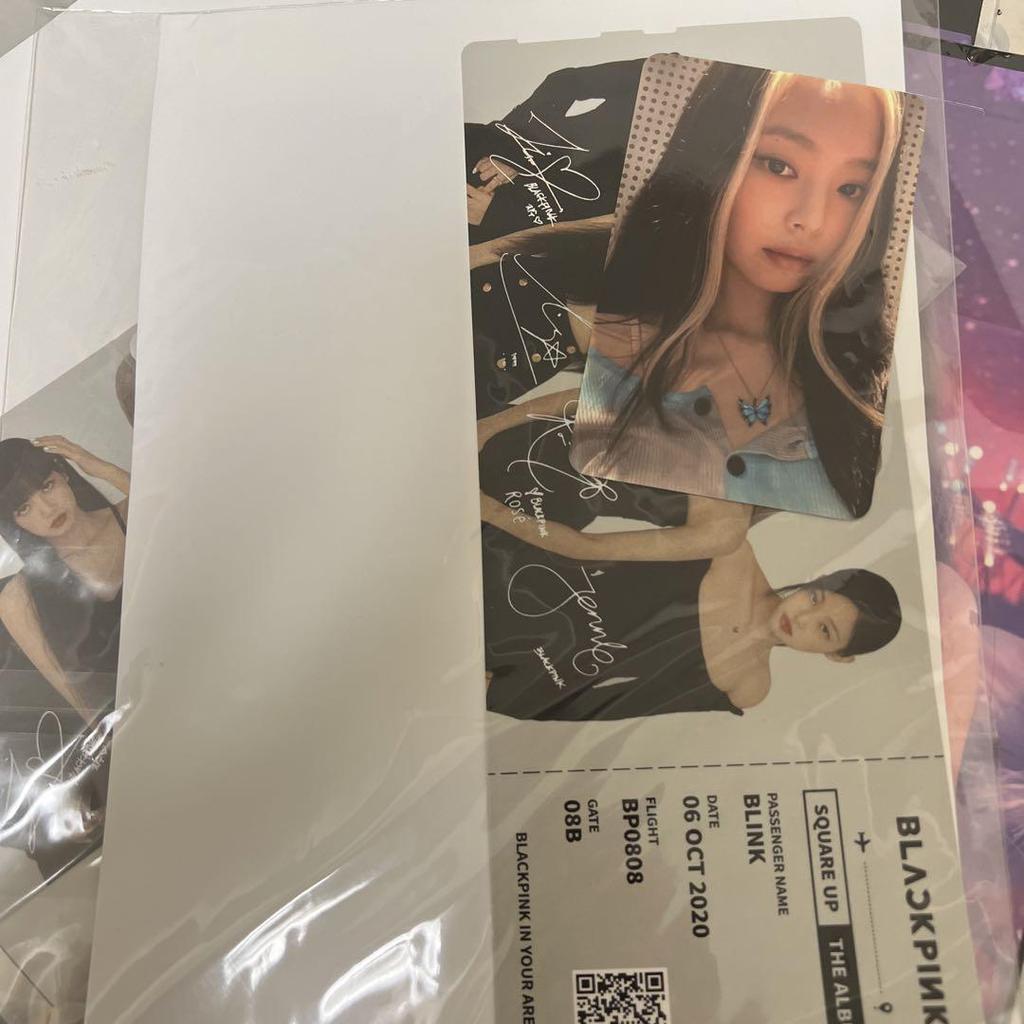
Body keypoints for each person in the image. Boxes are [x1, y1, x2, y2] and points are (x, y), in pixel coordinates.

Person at [471, 60, 912, 519]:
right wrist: (515, 160)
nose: (811, 220)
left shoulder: (830, 403)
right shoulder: (652, 240)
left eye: (851, 189)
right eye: (779, 166)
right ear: (720, 156)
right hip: (499, 300)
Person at [477, 392, 902, 720]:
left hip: (537, 670)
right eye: (815, 598)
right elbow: (589, 549)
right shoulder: (733, 554)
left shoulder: (750, 685)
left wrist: (508, 700)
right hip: (518, 582)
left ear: (837, 656)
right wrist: (490, 497)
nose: (804, 618)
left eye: (825, 631)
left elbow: (621, 702)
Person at [0, 436, 129, 720]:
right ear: (14, 523)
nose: (47, 510)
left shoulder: (130, 515)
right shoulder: (17, 598)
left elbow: (187, 522)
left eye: (47, 486)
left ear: (64, 474)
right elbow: (79, 700)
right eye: (24, 508)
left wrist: (102, 468)